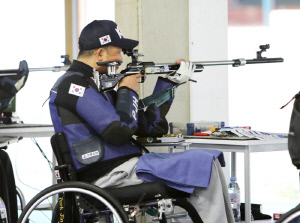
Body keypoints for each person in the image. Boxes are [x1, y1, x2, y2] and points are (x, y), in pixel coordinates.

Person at [49, 20, 234, 223]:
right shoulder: (74, 85)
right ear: (100, 54)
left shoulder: (97, 85)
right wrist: (127, 91)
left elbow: (150, 127)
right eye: (118, 52)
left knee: (208, 161)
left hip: (127, 167)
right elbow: (118, 132)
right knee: (204, 163)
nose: (121, 59)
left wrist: (170, 83)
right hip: (109, 174)